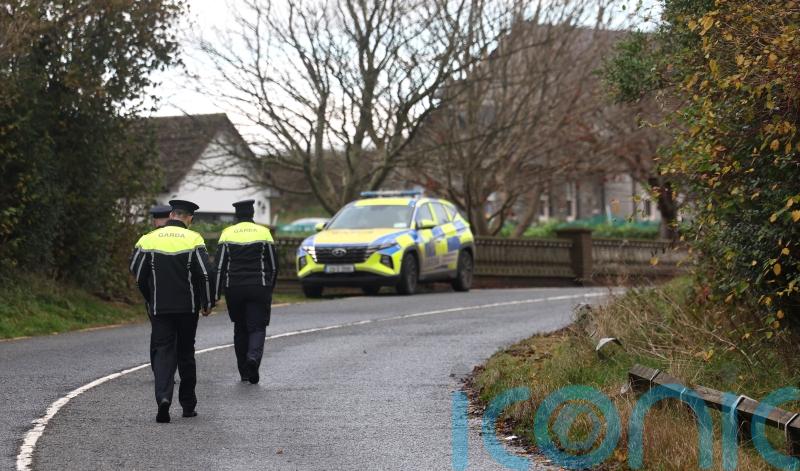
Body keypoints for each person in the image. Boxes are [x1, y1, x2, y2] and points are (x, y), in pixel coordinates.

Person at [129, 199, 215, 423]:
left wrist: (150, 296)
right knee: (186, 353)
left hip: (159, 307)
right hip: (188, 308)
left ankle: (163, 398)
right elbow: (205, 273)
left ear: (171, 215)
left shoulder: (148, 239)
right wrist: (207, 302)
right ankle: (188, 406)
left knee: (163, 352)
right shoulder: (194, 238)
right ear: (189, 218)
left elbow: (137, 271)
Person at [215, 199, 278, 384]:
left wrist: (215, 294)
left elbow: (219, 267)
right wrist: (269, 287)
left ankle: (243, 371)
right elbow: (274, 266)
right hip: (259, 286)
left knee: (240, 328)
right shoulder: (264, 233)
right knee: (257, 327)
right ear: (252, 214)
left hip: (233, 288)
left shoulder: (227, 234)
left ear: (236, 215)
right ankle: (253, 359)